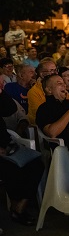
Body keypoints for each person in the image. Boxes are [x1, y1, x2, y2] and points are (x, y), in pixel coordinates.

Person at [0, 87, 43, 226]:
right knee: (9, 167)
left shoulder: (3, 98)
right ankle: (15, 207)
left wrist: (1, 92)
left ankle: (20, 206)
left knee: (36, 163)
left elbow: (10, 109)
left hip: (7, 144)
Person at [36, 75, 69, 139]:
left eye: (64, 83)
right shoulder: (44, 108)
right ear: (49, 90)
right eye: (59, 83)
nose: (64, 85)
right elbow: (52, 133)